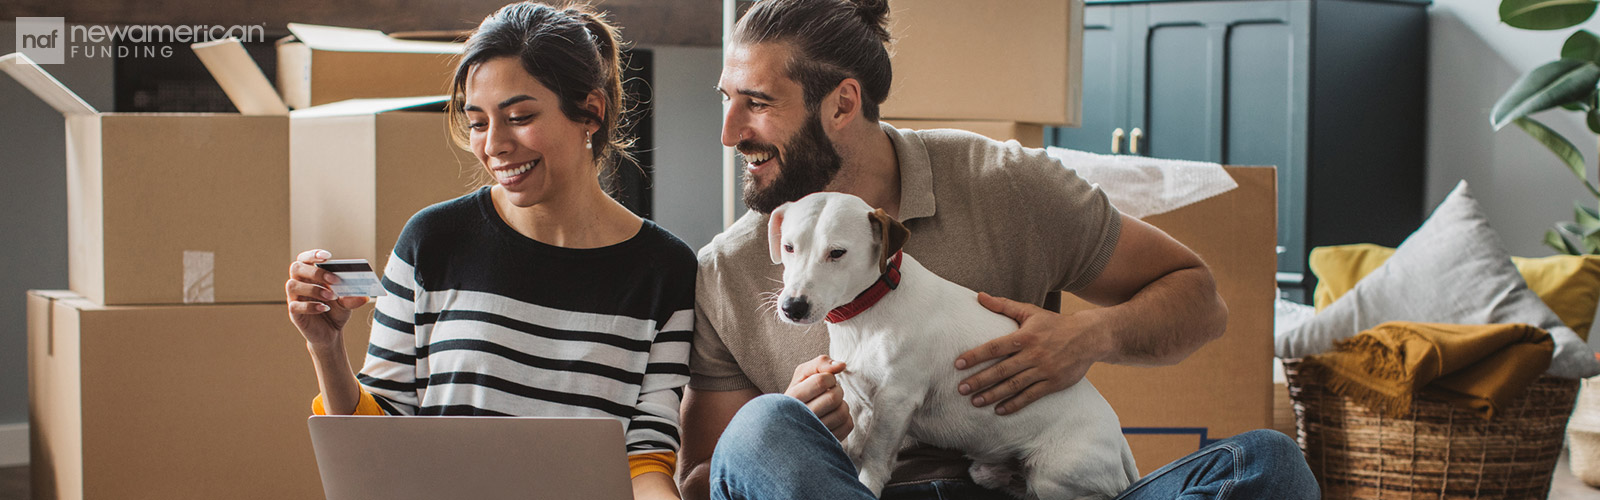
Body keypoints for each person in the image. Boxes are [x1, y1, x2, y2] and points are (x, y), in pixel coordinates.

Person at [675, 0, 1319, 499]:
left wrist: (1088, 338)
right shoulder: (727, 271)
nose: (730, 133)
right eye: (727, 101)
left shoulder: (1004, 184)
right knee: (760, 430)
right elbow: (704, 479)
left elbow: (1200, 300)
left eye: (757, 104)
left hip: (1024, 483)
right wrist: (798, 426)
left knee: (1270, 463)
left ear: (843, 103)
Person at [282, 3, 694, 499]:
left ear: (591, 111)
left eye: (519, 117)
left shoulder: (664, 270)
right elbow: (380, 436)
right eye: (478, 122)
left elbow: (646, 457)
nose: (494, 145)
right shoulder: (431, 241)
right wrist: (325, 349)